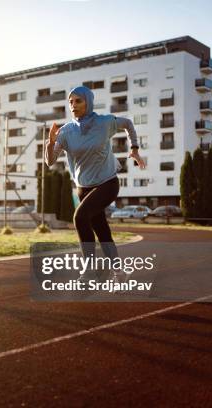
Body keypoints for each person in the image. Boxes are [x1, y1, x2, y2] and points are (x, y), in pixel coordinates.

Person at [45, 85, 145, 283]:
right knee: (102, 230)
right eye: (70, 102)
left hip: (107, 182)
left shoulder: (105, 122)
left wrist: (134, 149)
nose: (73, 105)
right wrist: (50, 144)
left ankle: (89, 269)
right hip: (83, 187)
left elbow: (128, 124)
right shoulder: (66, 131)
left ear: (88, 102)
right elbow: (50, 161)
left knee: (80, 217)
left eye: (78, 101)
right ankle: (119, 271)